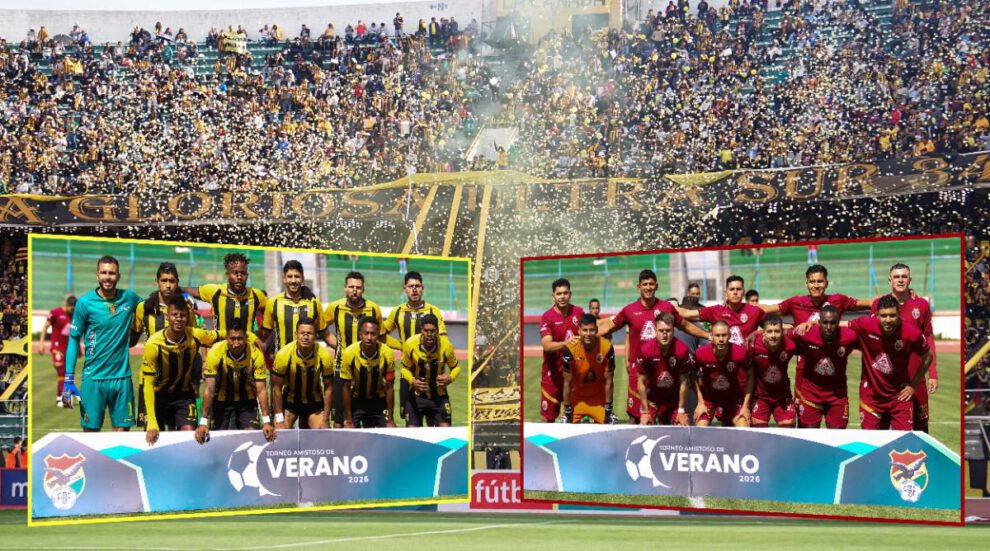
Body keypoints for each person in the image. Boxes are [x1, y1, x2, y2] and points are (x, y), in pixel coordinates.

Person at [599, 269, 707, 423]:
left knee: (665, 417)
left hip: (663, 368)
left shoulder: (666, 307)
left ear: (656, 286)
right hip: (640, 371)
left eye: (651, 284)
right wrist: (583, 336)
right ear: (639, 287)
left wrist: (707, 335)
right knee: (636, 418)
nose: (648, 287)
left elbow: (685, 325)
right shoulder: (629, 310)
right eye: (645, 284)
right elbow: (608, 327)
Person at [62, 256, 142, 432]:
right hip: (93, 379)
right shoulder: (84, 303)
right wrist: (68, 379)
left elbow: (150, 309)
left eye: (112, 273)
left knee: (122, 442)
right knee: (91, 437)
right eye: (104, 273)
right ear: (97, 275)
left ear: (118, 276)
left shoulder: (129, 298)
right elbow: (74, 339)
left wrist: (136, 334)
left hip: (122, 379)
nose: (108, 277)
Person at [142, 295, 222, 445]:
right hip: (159, 395)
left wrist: (250, 337)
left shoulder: (195, 335)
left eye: (182, 315)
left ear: (187, 317)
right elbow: (148, 384)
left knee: (190, 439)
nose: (179, 319)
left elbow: (219, 335)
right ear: (167, 317)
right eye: (175, 315)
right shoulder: (153, 344)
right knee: (154, 439)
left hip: (184, 396)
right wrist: (152, 422)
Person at [871, 263, 937, 432]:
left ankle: (920, 459)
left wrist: (933, 373)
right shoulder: (879, 304)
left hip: (916, 375)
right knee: (882, 428)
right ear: (890, 280)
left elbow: (928, 338)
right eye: (896, 277)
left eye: (904, 276)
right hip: (888, 378)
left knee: (921, 427)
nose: (900, 280)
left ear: (910, 279)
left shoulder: (921, 304)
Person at [850, 295, 932, 431]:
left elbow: (928, 356)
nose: (888, 320)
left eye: (892, 315)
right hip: (872, 397)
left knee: (902, 442)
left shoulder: (912, 332)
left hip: (900, 397)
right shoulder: (865, 325)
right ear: (876, 315)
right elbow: (837, 324)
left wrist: (913, 385)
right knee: (871, 444)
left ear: (899, 313)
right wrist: (812, 324)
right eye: (883, 316)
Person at [132, 262, 198, 427]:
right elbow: (132, 338)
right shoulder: (143, 308)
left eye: (172, 281)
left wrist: (197, 377)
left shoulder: (186, 308)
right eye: (164, 280)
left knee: (187, 437)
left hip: (181, 385)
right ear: (157, 282)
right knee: (154, 437)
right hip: (152, 384)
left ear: (177, 282)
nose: (168, 285)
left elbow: (195, 342)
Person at [382, 271, 446, 424]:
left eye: (417, 286)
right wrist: (402, 347)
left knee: (434, 421)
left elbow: (443, 339)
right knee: (409, 420)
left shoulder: (433, 311)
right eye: (411, 286)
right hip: (408, 373)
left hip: (432, 373)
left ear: (422, 288)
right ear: (405, 289)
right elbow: (380, 334)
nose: (414, 289)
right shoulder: (397, 311)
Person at [195, 320, 275, 444]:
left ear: (246, 338)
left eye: (240, 339)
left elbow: (261, 389)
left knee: (251, 438)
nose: (236, 343)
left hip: (246, 401)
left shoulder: (255, 355)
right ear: (227, 338)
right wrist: (203, 422)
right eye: (232, 339)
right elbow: (209, 389)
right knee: (217, 440)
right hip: (221, 400)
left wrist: (266, 421)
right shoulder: (216, 352)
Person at [325, 271, 383, 428]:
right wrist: (337, 345)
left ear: (363, 289)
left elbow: (380, 335)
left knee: (368, 419)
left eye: (358, 287)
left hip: (367, 370)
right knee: (339, 420)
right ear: (345, 288)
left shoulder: (373, 309)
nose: (354, 290)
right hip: (341, 369)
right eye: (351, 287)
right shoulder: (334, 308)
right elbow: (322, 328)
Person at [789, 305, 859, 429]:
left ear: (839, 323)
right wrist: (758, 332)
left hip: (837, 396)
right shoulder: (806, 333)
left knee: (837, 438)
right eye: (825, 322)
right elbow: (780, 334)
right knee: (807, 438)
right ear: (819, 322)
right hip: (810, 394)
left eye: (833, 323)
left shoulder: (850, 336)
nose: (828, 327)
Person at [271, 318, 334, 430]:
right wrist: (279, 419)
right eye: (302, 333)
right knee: (281, 433)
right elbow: (276, 388)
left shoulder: (325, 355)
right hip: (290, 403)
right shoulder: (283, 355)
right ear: (296, 334)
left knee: (323, 433)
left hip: (313, 403)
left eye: (309, 333)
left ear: (315, 335)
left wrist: (325, 419)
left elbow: (329, 388)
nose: (305, 337)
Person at [400, 314, 460, 427]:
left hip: (439, 397)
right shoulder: (410, 344)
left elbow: (456, 367)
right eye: (426, 330)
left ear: (437, 330)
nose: (429, 335)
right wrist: (412, 380)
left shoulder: (446, 346)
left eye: (432, 331)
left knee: (446, 434)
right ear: (421, 330)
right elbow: (404, 369)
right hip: (416, 397)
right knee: (412, 434)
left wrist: (451, 378)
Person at [538, 278, 584, 422]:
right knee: (547, 420)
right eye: (559, 294)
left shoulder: (579, 312)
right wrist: (567, 343)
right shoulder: (547, 317)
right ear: (553, 296)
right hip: (553, 376)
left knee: (575, 419)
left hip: (574, 374)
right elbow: (546, 345)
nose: (562, 296)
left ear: (570, 294)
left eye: (565, 293)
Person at [186, 253, 267, 334]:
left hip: (247, 346)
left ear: (247, 274)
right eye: (235, 273)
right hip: (221, 345)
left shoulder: (257, 295)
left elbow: (271, 315)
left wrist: (261, 338)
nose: (239, 277)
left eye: (243, 273)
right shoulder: (215, 291)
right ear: (227, 275)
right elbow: (186, 290)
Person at [693, 320, 753, 427]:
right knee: (700, 430)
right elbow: (692, 375)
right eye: (717, 335)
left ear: (729, 335)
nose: (721, 339)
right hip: (708, 398)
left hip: (733, 398)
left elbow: (751, 376)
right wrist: (700, 402)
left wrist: (746, 406)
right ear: (711, 336)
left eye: (724, 335)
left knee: (744, 429)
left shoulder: (740, 352)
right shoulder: (700, 353)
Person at [637, 313, 693, 425]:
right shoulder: (646, 350)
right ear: (655, 331)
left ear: (673, 330)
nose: (664, 334)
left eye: (668, 330)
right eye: (661, 330)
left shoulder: (682, 350)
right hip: (653, 399)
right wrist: (645, 411)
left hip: (675, 400)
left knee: (682, 425)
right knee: (645, 425)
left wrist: (681, 411)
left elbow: (684, 381)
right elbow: (641, 382)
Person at [340, 316, 396, 428]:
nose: (369, 337)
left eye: (373, 334)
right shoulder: (349, 353)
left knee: (391, 430)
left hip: (378, 401)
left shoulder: (387, 353)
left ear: (378, 335)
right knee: (347, 432)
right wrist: (349, 419)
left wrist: (390, 419)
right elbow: (346, 387)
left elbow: (390, 387)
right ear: (360, 334)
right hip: (357, 400)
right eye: (366, 333)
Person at [259, 260, 326, 353]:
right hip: (281, 362)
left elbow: (325, 334)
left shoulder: (314, 303)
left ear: (303, 278)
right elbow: (263, 334)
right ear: (284, 279)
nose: (293, 280)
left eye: (297, 276)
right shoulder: (273, 302)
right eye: (290, 277)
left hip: (307, 363)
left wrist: (343, 350)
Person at [560, 314, 616, 424]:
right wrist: (567, 412)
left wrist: (608, 411)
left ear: (596, 330)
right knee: (564, 428)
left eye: (591, 330)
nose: (588, 334)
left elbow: (609, 381)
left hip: (598, 399)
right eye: (585, 330)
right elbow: (567, 383)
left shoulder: (607, 347)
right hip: (576, 399)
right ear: (579, 331)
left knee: (612, 425)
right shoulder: (570, 349)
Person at [681, 275, 766, 347]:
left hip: (746, 364)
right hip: (722, 363)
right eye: (732, 289)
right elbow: (687, 314)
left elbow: (775, 327)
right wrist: (668, 305)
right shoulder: (715, 311)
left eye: (738, 289)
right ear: (726, 293)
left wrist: (756, 334)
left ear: (743, 292)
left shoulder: (755, 311)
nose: (735, 292)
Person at [748, 316, 797, 428]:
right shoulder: (752, 346)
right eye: (769, 331)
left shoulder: (790, 345)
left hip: (782, 397)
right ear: (763, 333)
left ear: (782, 332)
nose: (773, 335)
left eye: (777, 331)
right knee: (759, 433)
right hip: (760, 397)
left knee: (788, 430)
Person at [38, 295, 75, 407]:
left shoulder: (74, 316)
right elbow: (45, 327)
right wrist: (41, 343)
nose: (73, 311)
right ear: (67, 305)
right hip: (57, 347)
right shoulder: (56, 313)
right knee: (61, 370)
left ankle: (63, 398)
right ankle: (61, 399)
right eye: (72, 308)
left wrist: (79, 348)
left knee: (67, 374)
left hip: (69, 348)